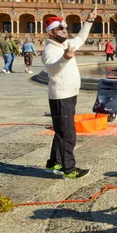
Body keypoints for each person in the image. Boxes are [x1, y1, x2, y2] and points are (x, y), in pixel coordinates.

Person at [42, 9, 97, 179]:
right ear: (51, 32)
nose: (64, 30)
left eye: (64, 27)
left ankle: (53, 163)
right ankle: (69, 169)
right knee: (68, 133)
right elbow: (52, 68)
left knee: (61, 131)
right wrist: (65, 58)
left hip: (68, 93)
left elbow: (80, 38)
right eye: (60, 28)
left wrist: (88, 21)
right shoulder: (50, 49)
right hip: (61, 95)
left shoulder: (65, 44)